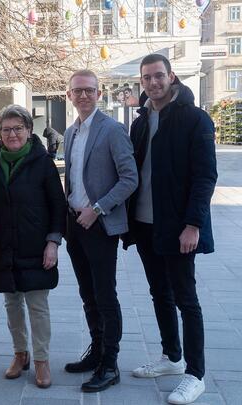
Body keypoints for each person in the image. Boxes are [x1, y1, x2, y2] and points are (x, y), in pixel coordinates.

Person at [123, 54, 217, 405]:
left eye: (158, 76)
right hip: (146, 224)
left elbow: (205, 176)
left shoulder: (194, 119)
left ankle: (195, 374)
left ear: (171, 76)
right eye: (146, 78)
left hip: (178, 227)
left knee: (185, 299)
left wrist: (193, 225)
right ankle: (172, 358)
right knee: (158, 293)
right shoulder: (141, 121)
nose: (153, 83)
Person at [63, 70, 138, 392]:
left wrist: (97, 209)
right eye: (77, 91)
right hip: (75, 225)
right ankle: (96, 351)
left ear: (99, 92)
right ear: (69, 95)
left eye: (89, 90)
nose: (83, 96)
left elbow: (129, 179)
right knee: (87, 294)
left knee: (105, 295)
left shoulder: (112, 130)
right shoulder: (70, 132)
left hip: (100, 225)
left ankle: (110, 363)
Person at [0, 104, 67, 388]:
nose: (12, 134)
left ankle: (42, 361)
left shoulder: (42, 161)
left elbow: (58, 205)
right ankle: (20, 354)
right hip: (4, 245)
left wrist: (53, 242)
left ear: (29, 131)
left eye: (18, 128)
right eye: (6, 129)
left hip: (36, 245)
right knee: (12, 303)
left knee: (37, 305)